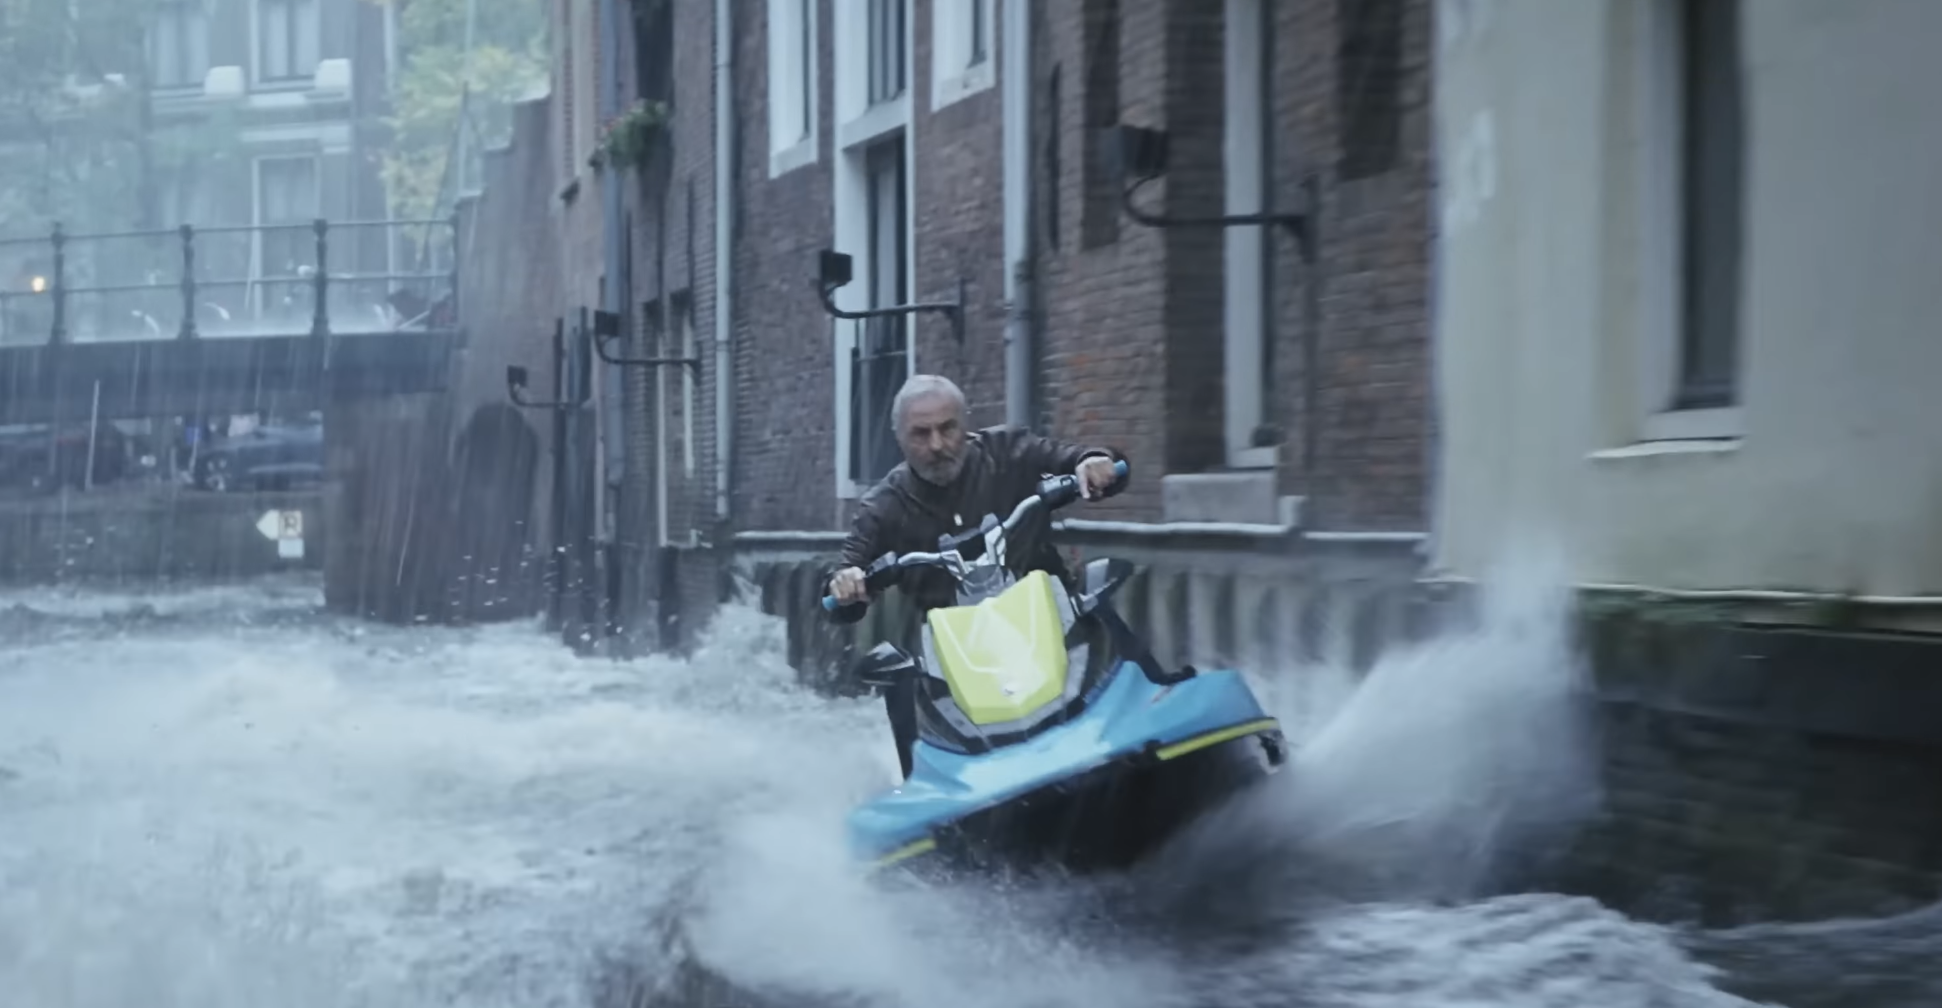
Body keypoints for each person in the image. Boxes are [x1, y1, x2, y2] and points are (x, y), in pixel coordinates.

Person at [823, 373, 1129, 777]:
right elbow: (846, 574)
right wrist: (845, 583)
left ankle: (1149, 698)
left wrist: (1094, 462)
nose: (937, 445)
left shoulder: (1009, 450)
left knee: (1098, 592)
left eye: (947, 428)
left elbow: (1072, 457)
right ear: (899, 438)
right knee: (903, 678)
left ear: (964, 423)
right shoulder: (883, 506)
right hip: (956, 652)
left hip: (1055, 618)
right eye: (921, 434)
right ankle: (923, 784)